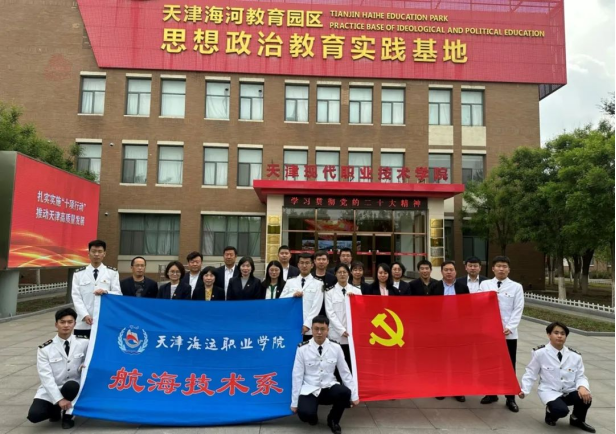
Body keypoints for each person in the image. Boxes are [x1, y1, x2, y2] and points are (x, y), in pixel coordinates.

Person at [519, 322, 595, 433]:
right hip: (550, 391)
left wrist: (583, 387)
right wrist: (524, 390)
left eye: (563, 334)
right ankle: (550, 413)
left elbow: (580, 375)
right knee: (561, 410)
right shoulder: (540, 353)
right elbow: (531, 373)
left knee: (586, 397)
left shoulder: (575, 356)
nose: (559, 336)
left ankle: (577, 419)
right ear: (549, 335)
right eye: (556, 333)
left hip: (568, 390)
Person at [291, 316, 360, 434]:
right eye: (316, 329)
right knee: (305, 414)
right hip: (310, 389)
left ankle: (333, 420)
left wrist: (354, 396)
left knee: (345, 393)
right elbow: (297, 376)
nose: (319, 332)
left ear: (328, 330)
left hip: (329, 387)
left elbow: (345, 372)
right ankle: (312, 417)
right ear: (311, 330)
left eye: (322, 329)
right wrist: (294, 402)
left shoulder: (336, 347)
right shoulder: (302, 349)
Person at [27, 308, 89, 429]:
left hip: (73, 387)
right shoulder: (45, 349)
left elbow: (90, 360)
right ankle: (56, 409)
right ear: (56, 324)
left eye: (70, 322)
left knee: (71, 386)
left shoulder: (84, 342)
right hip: (53, 388)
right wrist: (59, 400)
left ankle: (68, 416)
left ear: (75, 324)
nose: (66, 325)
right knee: (35, 415)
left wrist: (84, 365)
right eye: (62, 322)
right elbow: (46, 377)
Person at [478, 255, 524, 412]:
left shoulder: (516, 287)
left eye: (504, 266)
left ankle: (510, 398)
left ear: (509, 269)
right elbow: (479, 304)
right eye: (498, 266)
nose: (501, 269)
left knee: (509, 365)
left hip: (508, 334)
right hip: (489, 333)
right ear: (493, 269)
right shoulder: (485, 284)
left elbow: (518, 308)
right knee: (489, 364)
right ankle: (491, 394)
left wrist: (510, 327)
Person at [429, 260, 469, 403]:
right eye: (446, 270)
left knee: (457, 361)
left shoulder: (463, 287)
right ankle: (441, 388)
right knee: (440, 360)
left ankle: (458, 389)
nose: (449, 272)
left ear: (455, 272)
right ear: (441, 272)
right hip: (440, 330)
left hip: (458, 330)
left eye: (451, 270)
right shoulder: (435, 287)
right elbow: (429, 309)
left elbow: (467, 309)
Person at [72, 239, 121, 338]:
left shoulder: (112, 273)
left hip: (105, 319)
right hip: (84, 322)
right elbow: (76, 296)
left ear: (104, 254)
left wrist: (106, 292)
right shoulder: (79, 274)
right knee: (82, 346)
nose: (96, 254)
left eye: (99, 251)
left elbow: (118, 294)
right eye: (93, 251)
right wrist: (84, 315)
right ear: (88, 253)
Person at [324, 263, 362, 371]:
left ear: (349, 274)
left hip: (352, 333)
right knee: (335, 363)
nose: (342, 274)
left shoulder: (356, 291)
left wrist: (355, 300)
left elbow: (360, 312)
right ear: (335, 274)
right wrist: (341, 330)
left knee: (350, 363)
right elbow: (330, 313)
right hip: (336, 333)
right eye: (339, 272)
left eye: (344, 272)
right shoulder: (329, 292)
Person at [280, 253, 324, 341]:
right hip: (291, 324)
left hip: (309, 327)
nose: (304, 266)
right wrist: (292, 295)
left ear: (312, 265)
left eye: (307, 263)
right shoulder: (290, 282)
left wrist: (307, 324)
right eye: (302, 263)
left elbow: (316, 307)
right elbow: (281, 301)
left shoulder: (318, 283)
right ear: (298, 265)